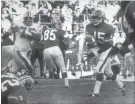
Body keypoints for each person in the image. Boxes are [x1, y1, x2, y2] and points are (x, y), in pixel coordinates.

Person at [86, 9, 125, 97]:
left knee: (99, 69)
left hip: (109, 49)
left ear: (102, 18)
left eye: (97, 17)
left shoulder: (109, 28)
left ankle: (95, 92)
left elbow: (108, 44)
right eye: (93, 17)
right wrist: (93, 50)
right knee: (108, 72)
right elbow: (90, 41)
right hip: (102, 49)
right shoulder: (89, 27)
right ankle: (122, 86)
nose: (94, 19)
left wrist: (95, 52)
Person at [42, 19, 70, 87]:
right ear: (55, 25)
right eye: (58, 24)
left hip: (46, 50)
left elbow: (42, 41)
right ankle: (66, 84)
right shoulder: (59, 31)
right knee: (63, 68)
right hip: (55, 49)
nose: (60, 26)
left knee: (52, 68)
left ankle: (53, 73)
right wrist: (66, 46)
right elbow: (64, 42)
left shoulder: (45, 31)